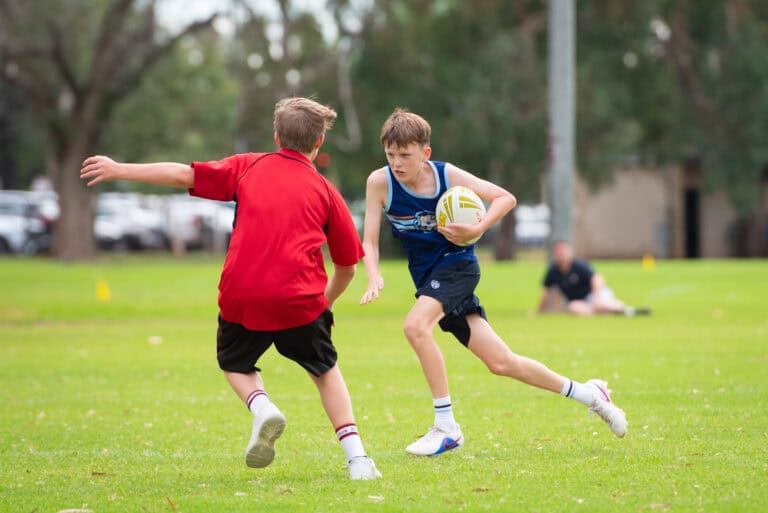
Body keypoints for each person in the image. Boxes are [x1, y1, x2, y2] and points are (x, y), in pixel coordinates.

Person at [80, 97, 381, 480]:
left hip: (243, 294)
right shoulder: (326, 191)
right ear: (319, 142)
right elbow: (347, 267)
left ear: (277, 137)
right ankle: (358, 460)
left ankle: (261, 407)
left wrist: (119, 168)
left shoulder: (248, 166)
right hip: (300, 298)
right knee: (325, 371)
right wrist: (326, 304)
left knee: (234, 364)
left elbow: (183, 175)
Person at [359, 108, 627, 457]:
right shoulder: (379, 183)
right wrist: (373, 273)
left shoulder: (446, 175)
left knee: (415, 327)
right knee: (501, 362)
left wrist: (478, 228)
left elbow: (505, 198)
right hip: (428, 278)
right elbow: (369, 241)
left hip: (458, 267)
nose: (396, 162)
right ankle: (591, 394)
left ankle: (446, 427)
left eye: (405, 155)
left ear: (425, 153)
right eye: (390, 154)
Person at [538, 240, 651, 316]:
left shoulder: (579, 265)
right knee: (573, 307)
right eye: (558, 253)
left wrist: (596, 296)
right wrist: (540, 310)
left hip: (594, 294)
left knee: (601, 304)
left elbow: (596, 278)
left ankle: (627, 310)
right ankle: (605, 312)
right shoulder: (553, 271)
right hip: (582, 302)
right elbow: (546, 291)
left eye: (563, 252)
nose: (561, 255)